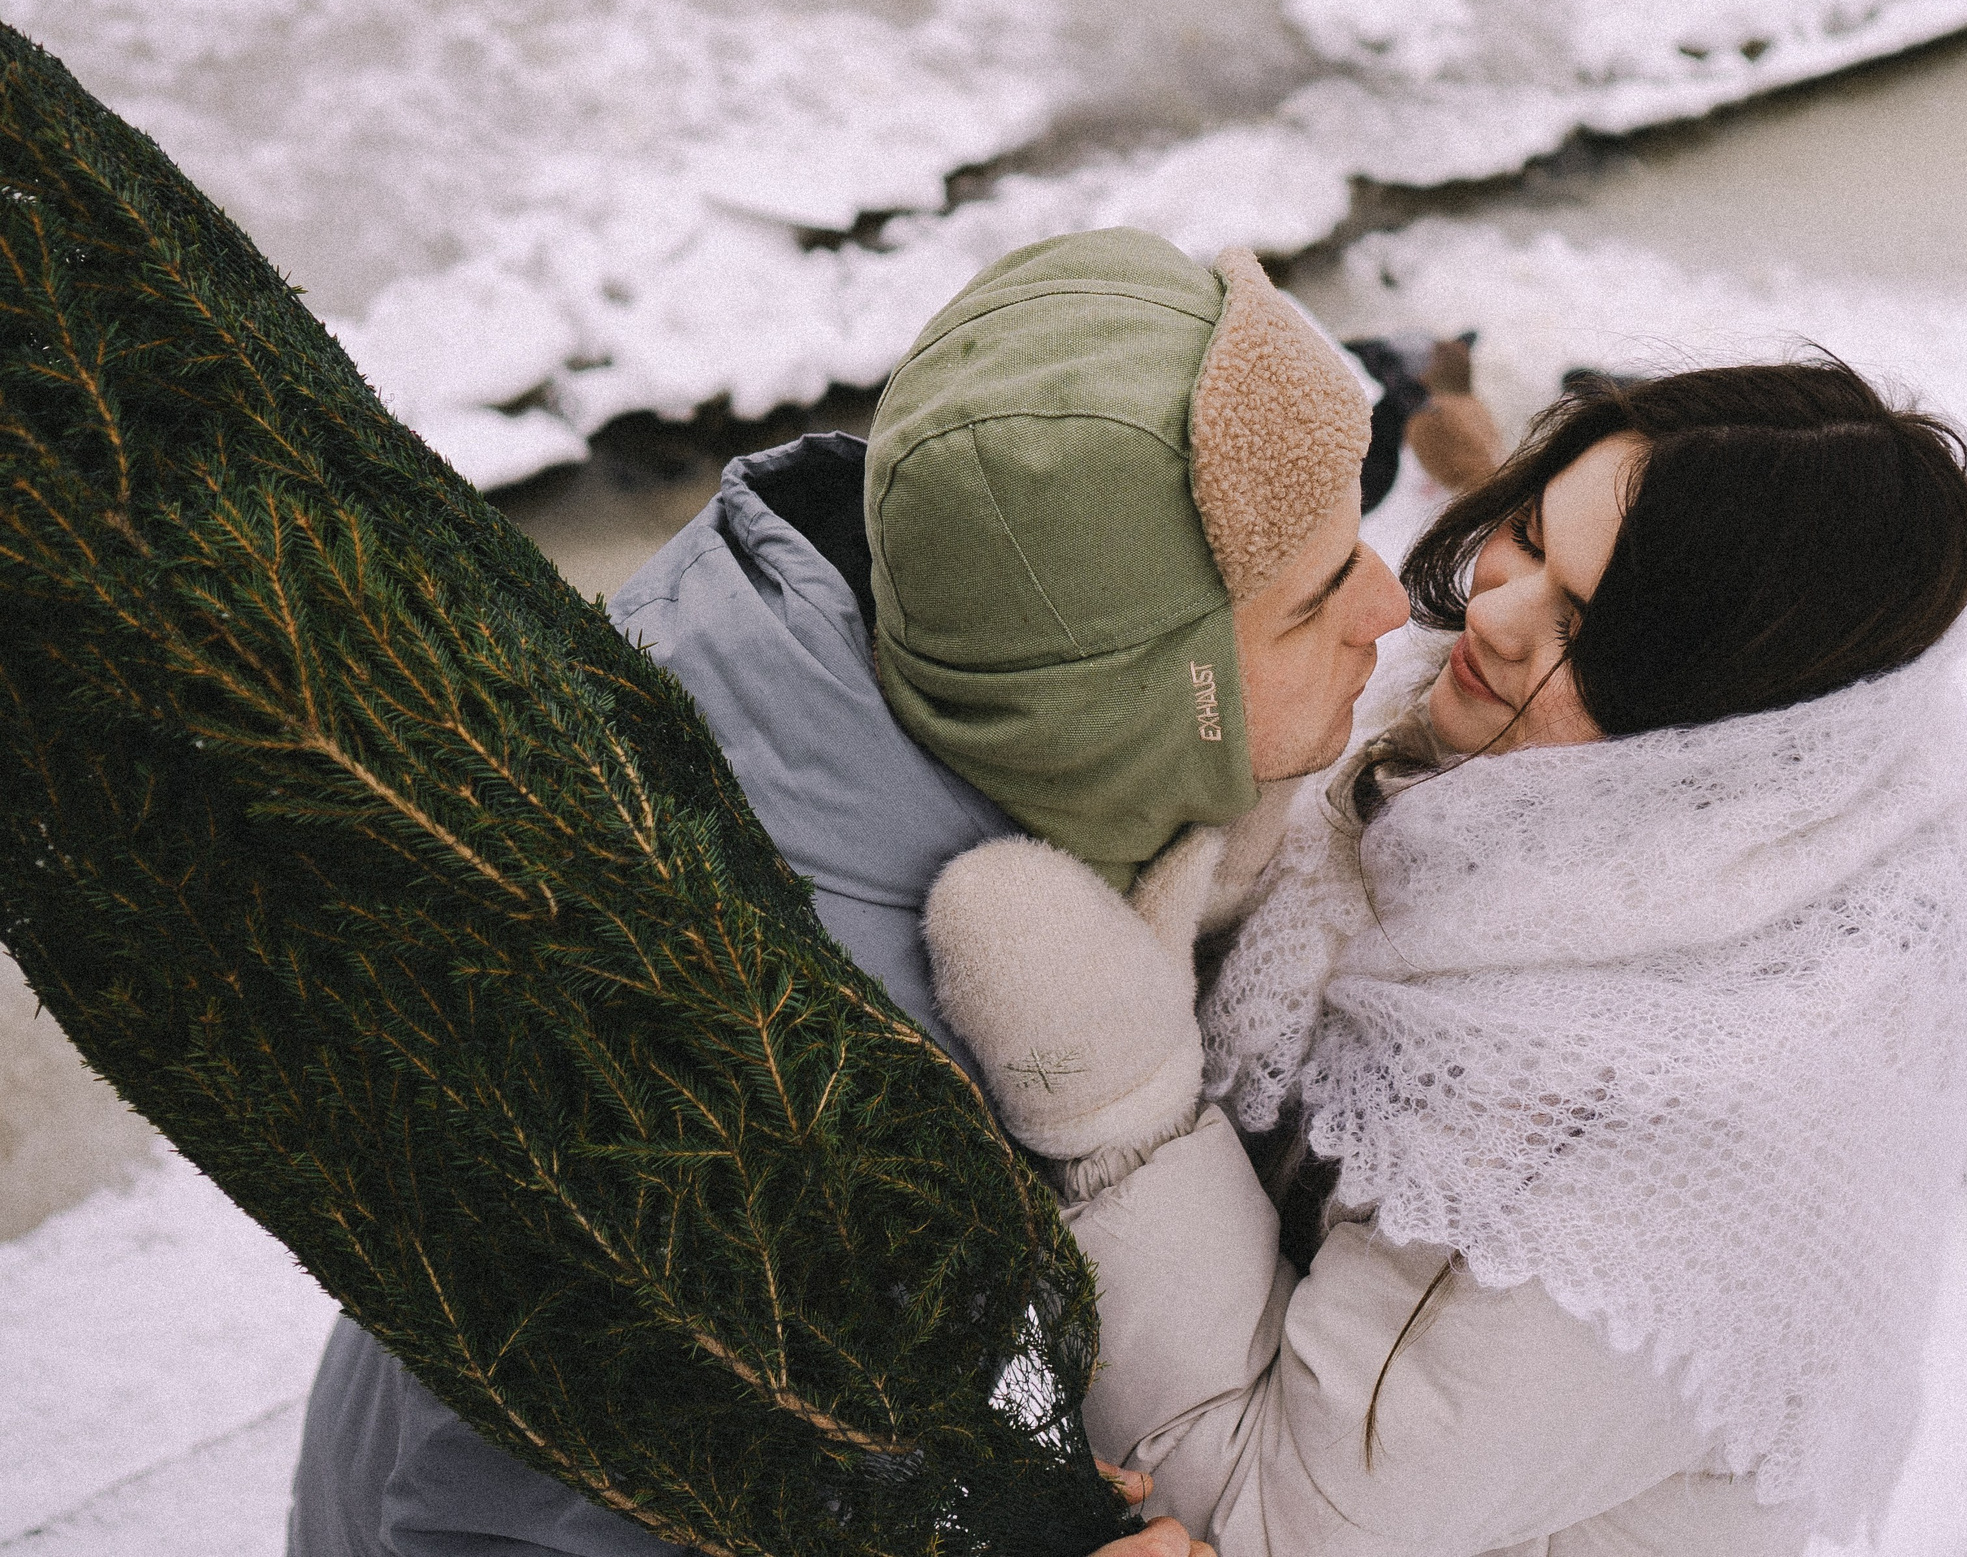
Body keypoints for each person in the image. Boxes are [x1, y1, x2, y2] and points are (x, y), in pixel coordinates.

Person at [284, 227, 1408, 1557]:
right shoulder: (771, 1073)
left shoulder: (874, 672)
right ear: (1128, 706)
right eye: (1314, 600)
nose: (1391, 604)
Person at [923, 359, 1967, 1556]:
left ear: (1720, 717)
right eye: (1530, 535)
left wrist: (1117, 1096)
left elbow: (1276, 1519)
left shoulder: (1606, 1133)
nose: (1488, 611)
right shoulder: (1666, 789)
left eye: (1581, 623)